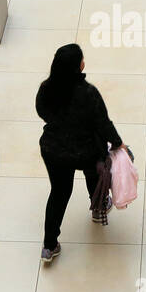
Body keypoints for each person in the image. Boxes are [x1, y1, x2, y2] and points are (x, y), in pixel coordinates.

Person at [35, 44, 125, 264]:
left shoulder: (47, 88)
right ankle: (99, 207)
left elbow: (42, 112)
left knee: (59, 193)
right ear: (78, 66)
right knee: (94, 176)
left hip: (54, 150)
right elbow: (103, 123)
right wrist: (118, 143)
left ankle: (49, 246)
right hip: (87, 150)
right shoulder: (88, 93)